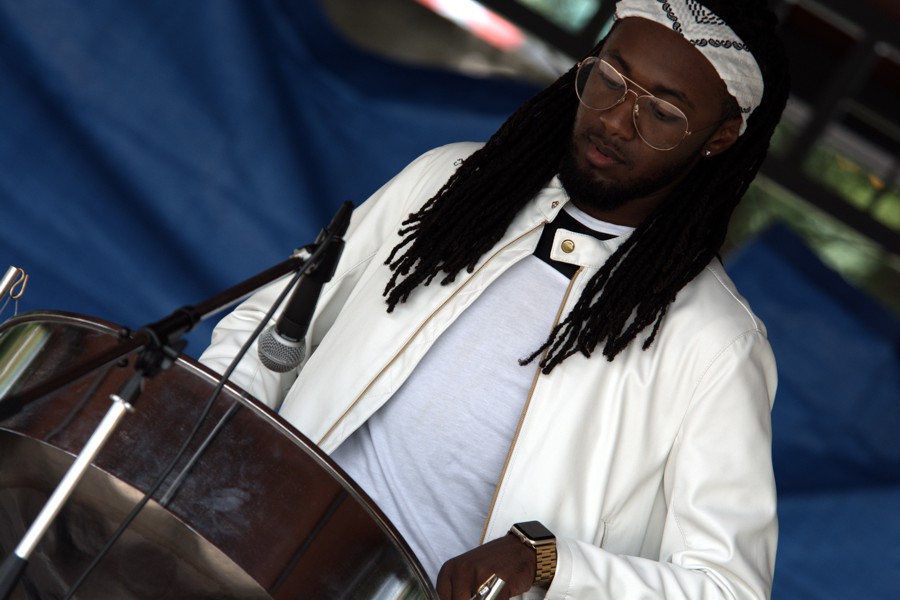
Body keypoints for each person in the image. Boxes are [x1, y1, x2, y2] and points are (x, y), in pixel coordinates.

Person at [200, 0, 790, 597]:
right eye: (611, 78)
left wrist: (551, 563)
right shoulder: (451, 181)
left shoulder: (716, 341)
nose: (616, 120)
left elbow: (728, 588)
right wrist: (196, 450)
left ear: (720, 137)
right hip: (256, 555)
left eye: (662, 111)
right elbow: (274, 329)